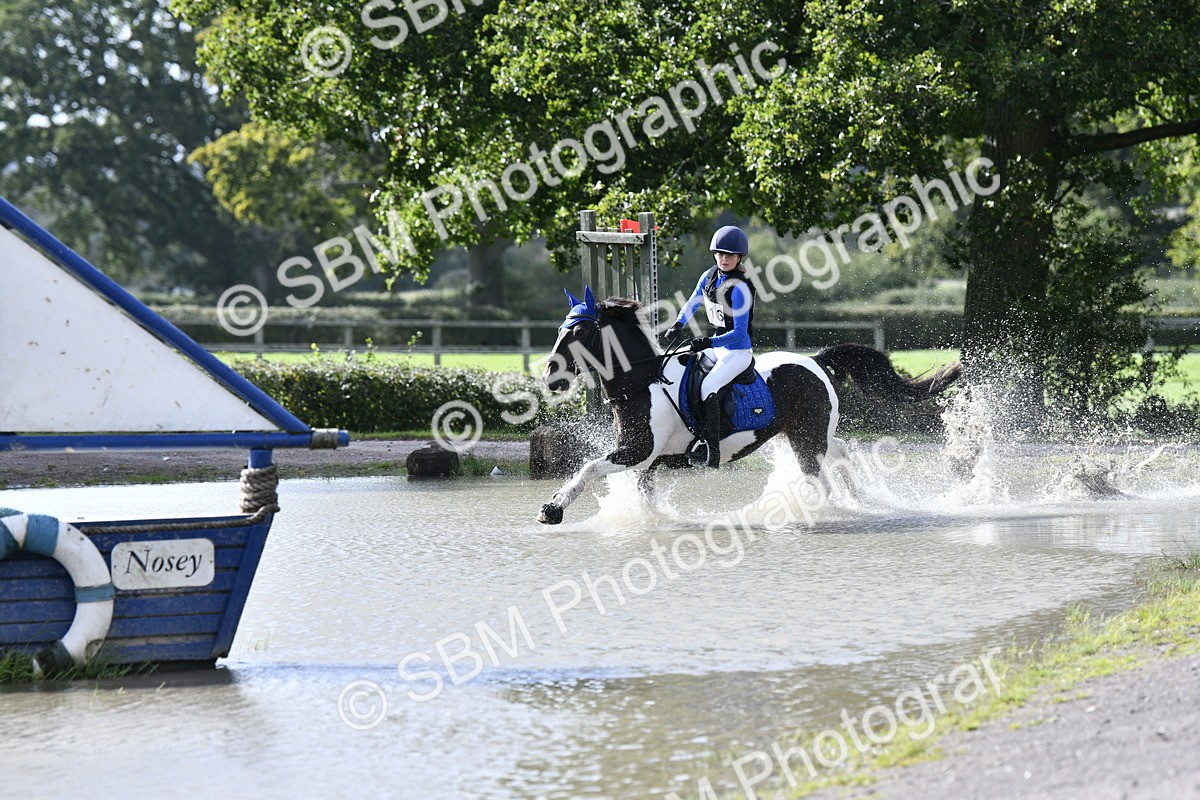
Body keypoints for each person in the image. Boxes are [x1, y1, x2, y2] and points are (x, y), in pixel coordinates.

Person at [665, 225, 756, 468]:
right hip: (717, 348)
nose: (724, 259)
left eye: (730, 255)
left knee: (708, 386)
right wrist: (678, 324)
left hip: (738, 352)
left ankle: (711, 449)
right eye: (720, 254)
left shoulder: (740, 288)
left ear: (739, 258)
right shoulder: (708, 276)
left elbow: (738, 334)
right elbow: (693, 301)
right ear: (714, 254)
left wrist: (707, 342)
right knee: (680, 367)